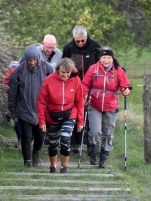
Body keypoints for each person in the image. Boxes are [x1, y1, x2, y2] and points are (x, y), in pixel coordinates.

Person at [82, 47, 131, 168]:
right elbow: (85, 84)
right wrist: (85, 95)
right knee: (94, 131)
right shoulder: (93, 69)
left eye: (108, 57)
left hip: (111, 106)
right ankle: (93, 153)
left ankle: (103, 157)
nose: (106, 60)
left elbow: (125, 85)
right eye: (104, 57)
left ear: (112, 58)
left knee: (108, 133)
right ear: (100, 58)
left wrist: (126, 91)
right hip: (94, 105)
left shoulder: (118, 71)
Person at [8, 44, 53, 168]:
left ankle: (36, 155)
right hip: (24, 108)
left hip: (42, 110)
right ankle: (27, 161)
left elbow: (54, 89)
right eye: (30, 60)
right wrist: (13, 110)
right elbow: (13, 91)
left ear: (38, 58)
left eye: (34, 60)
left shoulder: (47, 68)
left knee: (40, 136)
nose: (32, 63)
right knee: (26, 137)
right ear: (26, 59)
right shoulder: (19, 70)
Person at [37, 58, 84, 173]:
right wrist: (42, 121)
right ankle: (53, 165)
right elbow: (40, 102)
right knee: (53, 142)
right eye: (63, 72)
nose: (65, 75)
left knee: (65, 138)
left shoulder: (76, 80)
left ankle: (64, 167)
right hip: (52, 114)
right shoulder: (48, 81)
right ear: (58, 70)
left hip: (70, 113)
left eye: (68, 73)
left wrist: (80, 121)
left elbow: (80, 102)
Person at [62, 25, 101, 154]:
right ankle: (76, 143)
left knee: (90, 116)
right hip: (74, 84)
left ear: (86, 37)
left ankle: (91, 145)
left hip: (92, 85)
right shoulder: (68, 48)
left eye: (82, 41)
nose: (80, 43)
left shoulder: (95, 46)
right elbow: (64, 66)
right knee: (75, 113)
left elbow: (101, 64)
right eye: (77, 41)